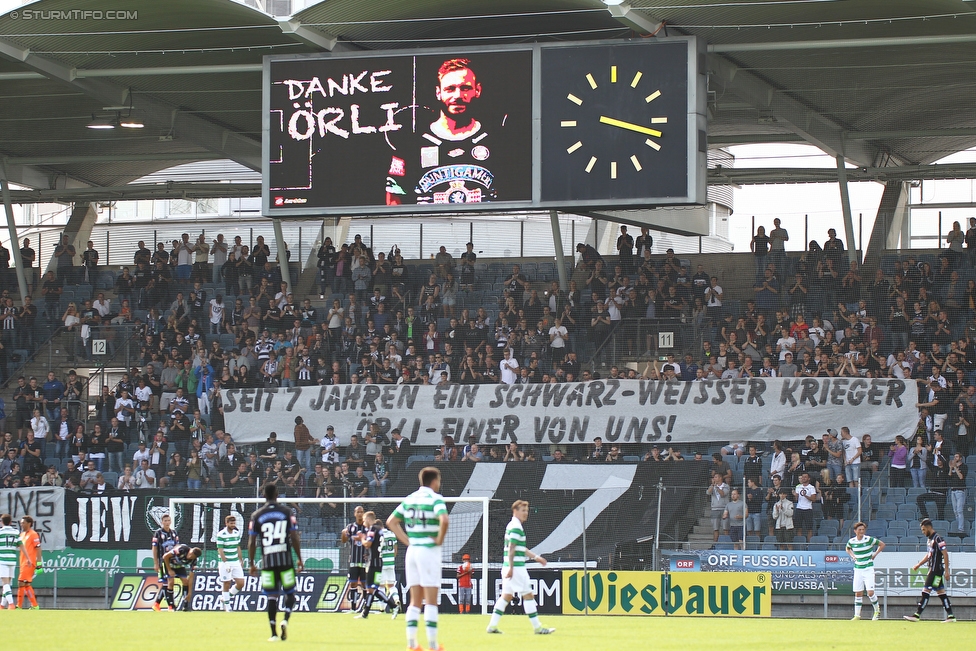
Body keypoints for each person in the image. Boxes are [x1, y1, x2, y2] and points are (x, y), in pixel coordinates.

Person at [386, 58, 514, 205]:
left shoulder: (497, 142)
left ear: (477, 90)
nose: (458, 96)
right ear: (438, 92)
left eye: (465, 88)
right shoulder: (410, 146)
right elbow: (394, 197)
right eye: (450, 89)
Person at [386, 467, 450, 651]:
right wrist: (438, 539)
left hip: (412, 551)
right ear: (435, 481)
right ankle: (432, 645)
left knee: (415, 601)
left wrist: (408, 541)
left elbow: (391, 521)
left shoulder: (410, 498)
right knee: (430, 601)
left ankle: (412, 644)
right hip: (428, 551)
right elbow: (444, 520)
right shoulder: (435, 498)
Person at [486, 500, 555, 635]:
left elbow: (519, 548)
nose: (526, 513)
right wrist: (512, 568)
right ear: (515, 511)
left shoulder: (512, 525)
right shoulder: (516, 527)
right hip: (516, 568)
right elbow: (512, 548)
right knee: (528, 595)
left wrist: (536, 557)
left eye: (527, 510)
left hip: (508, 566)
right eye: (523, 510)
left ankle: (492, 626)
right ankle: (538, 628)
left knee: (505, 597)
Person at [248, 483, 303, 642]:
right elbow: (294, 537)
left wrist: (251, 563)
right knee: (289, 592)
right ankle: (285, 619)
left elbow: (252, 542)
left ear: (264, 495)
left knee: (272, 597)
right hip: (285, 560)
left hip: (268, 562)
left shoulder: (256, 515)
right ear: (277, 494)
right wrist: (299, 558)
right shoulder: (287, 512)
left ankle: (273, 633)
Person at [904, 518, 955, 622]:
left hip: (935, 570)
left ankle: (917, 615)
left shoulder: (938, 539)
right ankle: (951, 616)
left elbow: (945, 554)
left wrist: (947, 570)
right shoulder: (930, 540)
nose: (923, 532)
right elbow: (929, 555)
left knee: (926, 590)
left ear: (928, 527)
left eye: (923, 530)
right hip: (934, 570)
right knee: (941, 592)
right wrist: (919, 564)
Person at [356, 511, 396, 619]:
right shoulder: (379, 530)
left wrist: (362, 538)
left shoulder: (372, 529)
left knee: (371, 588)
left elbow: (368, 544)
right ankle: (365, 613)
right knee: (372, 589)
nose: (364, 523)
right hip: (379, 562)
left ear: (369, 519)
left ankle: (393, 606)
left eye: (364, 521)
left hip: (373, 564)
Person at [846, 521, 884, 620]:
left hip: (868, 568)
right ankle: (857, 615)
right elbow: (847, 548)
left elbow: (882, 544)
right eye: (860, 530)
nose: (861, 531)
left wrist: (875, 554)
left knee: (870, 592)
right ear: (855, 531)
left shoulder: (869, 539)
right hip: (858, 569)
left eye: (863, 529)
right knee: (858, 593)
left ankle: (877, 611)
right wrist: (853, 556)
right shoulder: (852, 541)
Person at [341, 505, 368, 613]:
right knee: (353, 584)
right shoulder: (350, 527)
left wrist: (368, 554)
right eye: (358, 512)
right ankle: (353, 608)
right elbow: (343, 541)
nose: (360, 514)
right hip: (353, 560)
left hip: (364, 561)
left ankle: (367, 607)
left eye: (362, 512)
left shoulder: (367, 528)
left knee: (364, 584)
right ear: (354, 514)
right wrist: (343, 534)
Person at [151, 513, 180, 611]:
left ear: (171, 521)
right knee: (169, 582)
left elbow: (177, 546)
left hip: (173, 562)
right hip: (163, 562)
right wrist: (155, 563)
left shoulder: (174, 533)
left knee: (168, 583)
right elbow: (154, 548)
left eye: (168, 520)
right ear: (162, 522)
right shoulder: (158, 533)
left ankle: (157, 604)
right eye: (165, 521)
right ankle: (171, 605)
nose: (167, 522)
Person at [160, 543, 201, 612]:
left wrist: (189, 593)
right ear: (190, 550)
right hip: (168, 564)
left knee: (185, 581)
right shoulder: (182, 549)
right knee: (171, 582)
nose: (189, 557)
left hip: (179, 566)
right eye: (190, 554)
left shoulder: (194, 561)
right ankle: (171, 606)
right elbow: (165, 556)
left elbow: (191, 578)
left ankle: (185, 605)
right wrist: (169, 570)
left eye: (192, 556)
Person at [216, 514, 245, 613]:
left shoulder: (236, 533)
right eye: (231, 523)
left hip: (235, 561)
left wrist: (241, 559)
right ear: (226, 523)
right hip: (225, 563)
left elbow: (238, 547)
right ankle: (227, 606)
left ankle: (225, 598)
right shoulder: (221, 534)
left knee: (241, 583)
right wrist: (225, 563)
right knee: (226, 583)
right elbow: (220, 550)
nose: (233, 525)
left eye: (234, 523)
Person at [17, 515, 41, 610]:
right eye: (21, 523)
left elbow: (38, 548)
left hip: (29, 563)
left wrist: (39, 564)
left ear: (29, 523)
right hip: (23, 562)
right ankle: (35, 605)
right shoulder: (22, 535)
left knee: (20, 582)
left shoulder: (33, 534)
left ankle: (19, 606)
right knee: (26, 584)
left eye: (23, 523)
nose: (21, 524)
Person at [380, 519, 402, 617]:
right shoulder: (392, 534)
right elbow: (395, 550)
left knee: (380, 587)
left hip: (382, 564)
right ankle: (396, 599)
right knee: (391, 586)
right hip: (391, 563)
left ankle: (382, 608)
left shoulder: (379, 535)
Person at [0, 513, 19, 609]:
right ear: (11, 522)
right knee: (8, 584)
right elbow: (20, 545)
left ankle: (11, 604)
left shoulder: (0, 532)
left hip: (2, 560)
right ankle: (2, 605)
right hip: (12, 560)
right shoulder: (16, 532)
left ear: (1, 522)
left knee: (5, 583)